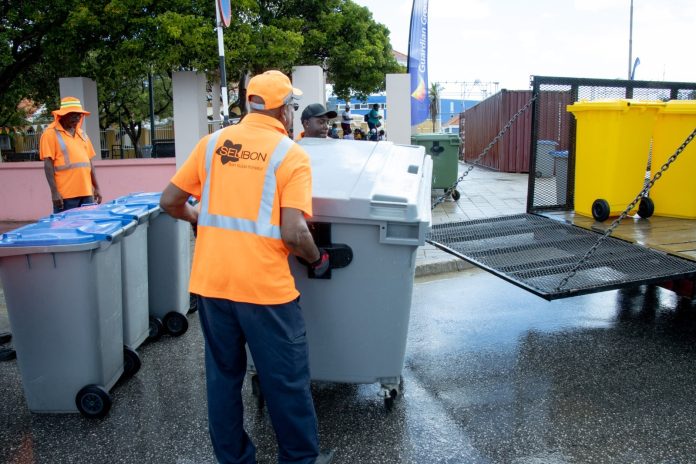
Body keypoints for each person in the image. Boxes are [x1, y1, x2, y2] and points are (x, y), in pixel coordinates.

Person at [160, 70, 335, 464]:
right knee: (285, 381)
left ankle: (235, 459)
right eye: (291, 105)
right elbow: (295, 233)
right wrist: (317, 259)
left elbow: (169, 201)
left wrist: (197, 218)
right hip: (264, 291)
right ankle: (299, 459)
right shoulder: (291, 155)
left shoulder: (212, 144)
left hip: (212, 285)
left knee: (223, 379)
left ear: (249, 103)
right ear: (284, 110)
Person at [39, 96, 102, 213]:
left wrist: (97, 187)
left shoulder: (82, 134)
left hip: (87, 193)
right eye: (73, 115)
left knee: (87, 224)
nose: (77, 118)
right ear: (63, 115)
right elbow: (48, 165)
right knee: (66, 225)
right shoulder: (50, 134)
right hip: (65, 196)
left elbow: (89, 164)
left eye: (79, 115)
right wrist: (54, 192)